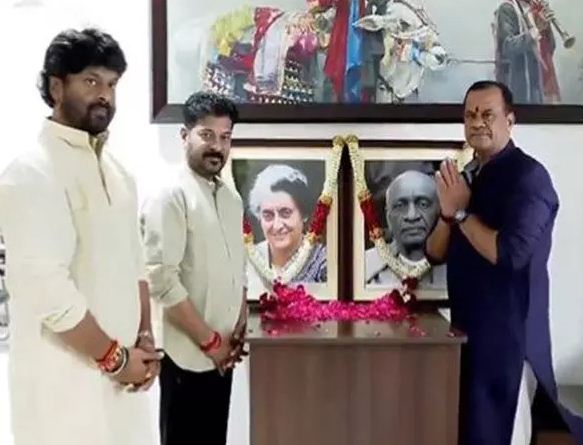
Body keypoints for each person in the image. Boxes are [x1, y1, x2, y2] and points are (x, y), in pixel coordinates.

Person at [0, 28, 161, 445]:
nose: (104, 95)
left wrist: (145, 341)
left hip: (124, 392)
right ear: (56, 87)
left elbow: (137, 265)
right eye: (91, 81)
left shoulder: (119, 174)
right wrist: (116, 360)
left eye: (112, 84)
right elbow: (48, 292)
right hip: (63, 398)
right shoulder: (30, 173)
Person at [425, 80, 583, 444]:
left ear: (510, 121)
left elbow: (511, 255)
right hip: (468, 336)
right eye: (470, 115)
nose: (477, 122)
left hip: (510, 343)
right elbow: (434, 253)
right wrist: (449, 214)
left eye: (487, 114)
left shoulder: (529, 178)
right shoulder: (468, 174)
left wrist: (461, 212)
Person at [141, 91, 247, 445]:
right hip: (186, 357)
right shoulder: (170, 194)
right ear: (184, 136)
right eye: (207, 135)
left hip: (222, 357)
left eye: (225, 137)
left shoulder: (231, 198)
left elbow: (237, 267)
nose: (217, 146)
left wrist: (239, 323)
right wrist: (210, 341)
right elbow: (161, 279)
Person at [246, 163, 327, 292]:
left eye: (285, 213)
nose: (277, 225)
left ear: (304, 214)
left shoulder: (324, 263)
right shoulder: (246, 262)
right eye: (268, 215)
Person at [366, 170, 446, 289]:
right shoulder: (364, 267)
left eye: (423, 204)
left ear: (439, 211)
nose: (411, 216)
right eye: (400, 206)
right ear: (388, 217)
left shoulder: (461, 268)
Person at [493, 0, 561, 103]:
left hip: (541, 85)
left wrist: (546, 28)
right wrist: (535, 31)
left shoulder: (535, 9)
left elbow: (549, 48)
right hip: (520, 89)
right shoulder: (507, 8)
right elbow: (508, 47)